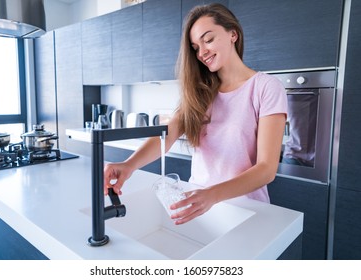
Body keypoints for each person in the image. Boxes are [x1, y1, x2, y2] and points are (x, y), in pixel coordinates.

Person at [104, 3, 287, 225]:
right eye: (195, 47)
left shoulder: (266, 87)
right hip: (200, 208)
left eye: (208, 40)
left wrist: (212, 194)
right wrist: (128, 165)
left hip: (247, 211)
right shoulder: (200, 92)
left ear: (233, 34)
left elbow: (266, 170)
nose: (202, 53)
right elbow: (167, 136)